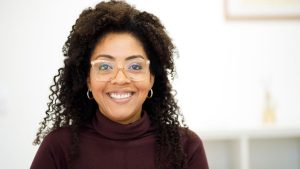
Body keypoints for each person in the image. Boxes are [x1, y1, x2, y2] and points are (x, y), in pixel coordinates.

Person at [30, 1, 209, 169]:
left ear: (152, 78)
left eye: (135, 66)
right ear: (88, 80)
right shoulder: (58, 147)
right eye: (105, 66)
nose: (120, 79)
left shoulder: (186, 147)